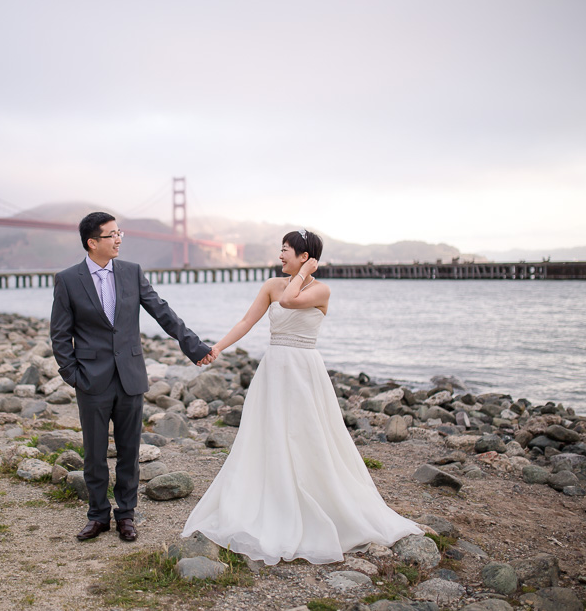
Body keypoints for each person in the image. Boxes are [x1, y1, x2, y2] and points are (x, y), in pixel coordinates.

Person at [181, 229, 422, 565]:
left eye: (286, 250)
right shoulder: (270, 285)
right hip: (274, 368)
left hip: (304, 370)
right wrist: (217, 347)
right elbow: (247, 320)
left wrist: (304, 274)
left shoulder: (321, 290)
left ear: (304, 256)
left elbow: (290, 301)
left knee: (308, 435)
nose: (280, 256)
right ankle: (272, 499)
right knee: (269, 435)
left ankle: (318, 502)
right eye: (281, 250)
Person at [51, 211, 215, 542]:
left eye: (119, 232)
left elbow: (162, 311)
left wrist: (194, 347)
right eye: (112, 234)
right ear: (92, 242)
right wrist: (74, 376)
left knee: (129, 452)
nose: (119, 239)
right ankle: (97, 516)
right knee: (95, 455)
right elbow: (59, 334)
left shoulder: (132, 272)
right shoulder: (68, 279)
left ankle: (126, 515)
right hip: (91, 381)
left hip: (130, 376)